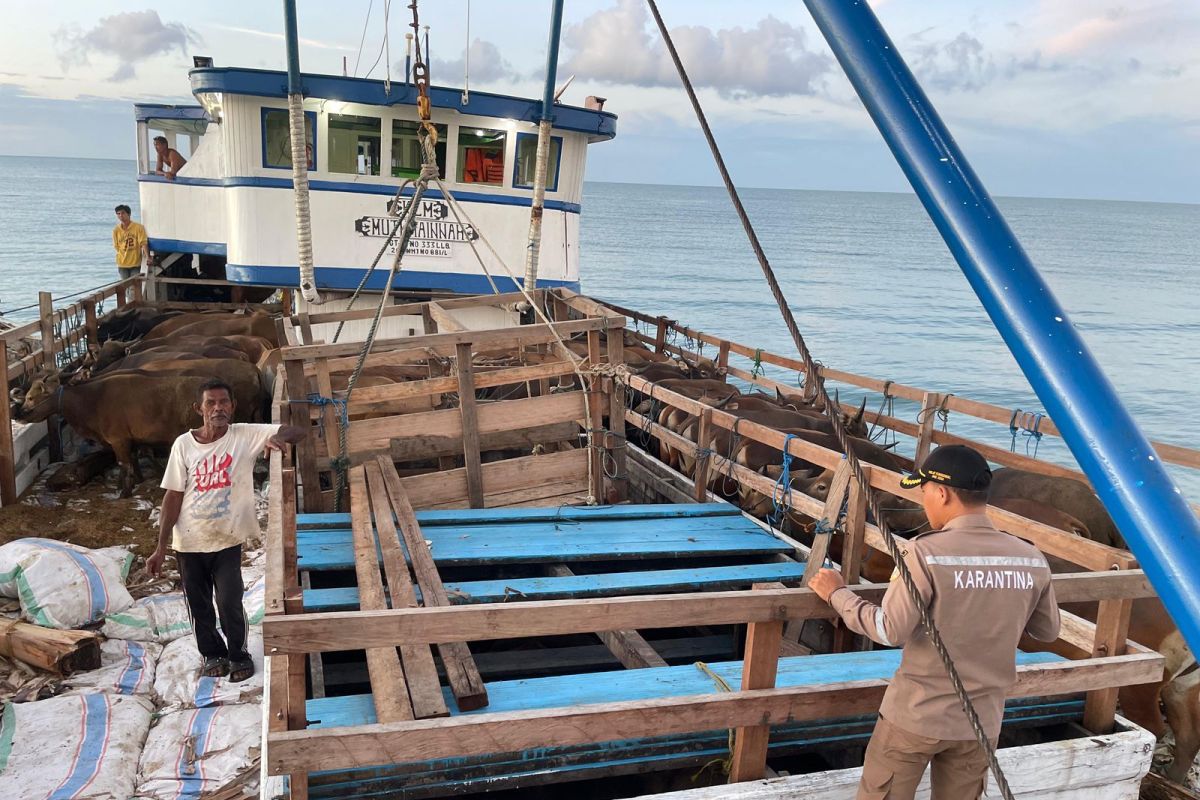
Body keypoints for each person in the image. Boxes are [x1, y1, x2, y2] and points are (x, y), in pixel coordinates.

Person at [809, 445, 1061, 800]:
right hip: (981, 721)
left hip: (916, 716)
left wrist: (838, 594)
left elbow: (887, 629)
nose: (924, 502)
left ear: (941, 493)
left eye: (924, 492)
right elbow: (1047, 631)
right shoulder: (1030, 557)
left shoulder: (925, 553)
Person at [148, 379, 306, 682]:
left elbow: (297, 432)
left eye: (223, 402)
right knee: (199, 605)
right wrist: (160, 547)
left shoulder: (245, 435)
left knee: (229, 600)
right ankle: (212, 654)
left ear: (232, 407)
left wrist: (278, 438)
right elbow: (173, 495)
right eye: (211, 403)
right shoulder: (183, 444)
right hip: (189, 542)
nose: (218, 408)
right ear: (199, 409)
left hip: (227, 539)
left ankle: (238, 654)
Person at [112, 204, 150, 280]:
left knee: (133, 287)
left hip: (135, 263)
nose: (121, 216)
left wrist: (148, 257)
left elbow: (143, 243)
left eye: (123, 213)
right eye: (118, 214)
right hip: (122, 263)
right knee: (125, 286)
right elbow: (116, 246)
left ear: (128, 214)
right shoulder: (116, 230)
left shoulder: (138, 227)